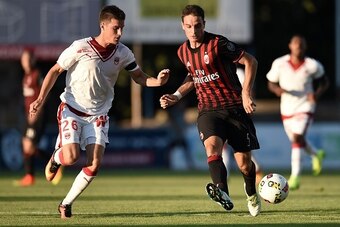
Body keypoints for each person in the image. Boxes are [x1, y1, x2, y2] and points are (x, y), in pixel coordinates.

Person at [29, 5, 170, 219]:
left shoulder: (123, 52)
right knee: (71, 157)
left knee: (94, 165)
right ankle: (57, 158)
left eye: (122, 28)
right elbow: (55, 70)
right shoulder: (80, 46)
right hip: (72, 109)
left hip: (99, 115)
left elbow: (139, 77)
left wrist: (157, 82)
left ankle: (65, 204)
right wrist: (40, 98)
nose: (120, 33)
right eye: (116, 28)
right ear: (102, 25)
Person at [160, 5, 261, 217]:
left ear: (204, 24)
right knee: (212, 148)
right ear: (183, 27)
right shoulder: (182, 51)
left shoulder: (218, 44)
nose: (194, 31)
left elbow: (250, 61)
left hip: (234, 108)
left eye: (197, 26)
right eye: (189, 26)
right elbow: (192, 76)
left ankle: (251, 192)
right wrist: (176, 96)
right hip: (208, 110)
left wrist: (245, 93)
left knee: (244, 165)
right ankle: (222, 191)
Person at [266, 35, 328, 190]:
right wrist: (277, 90)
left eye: (301, 44)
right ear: (290, 46)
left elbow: (324, 81)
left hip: (305, 107)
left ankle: (295, 177)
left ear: (305, 47)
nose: (298, 47)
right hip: (286, 108)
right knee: (297, 140)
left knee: (297, 137)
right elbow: (270, 83)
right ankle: (315, 153)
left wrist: (316, 94)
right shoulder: (280, 63)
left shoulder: (312, 65)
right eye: (296, 44)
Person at [14, 49, 62, 187]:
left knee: (29, 146)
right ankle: (29, 176)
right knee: (26, 145)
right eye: (23, 59)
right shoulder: (26, 76)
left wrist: (37, 113)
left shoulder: (37, 74)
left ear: (33, 60)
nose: (26, 62)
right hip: (28, 116)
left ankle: (55, 164)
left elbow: (45, 96)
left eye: (28, 59)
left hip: (38, 116)